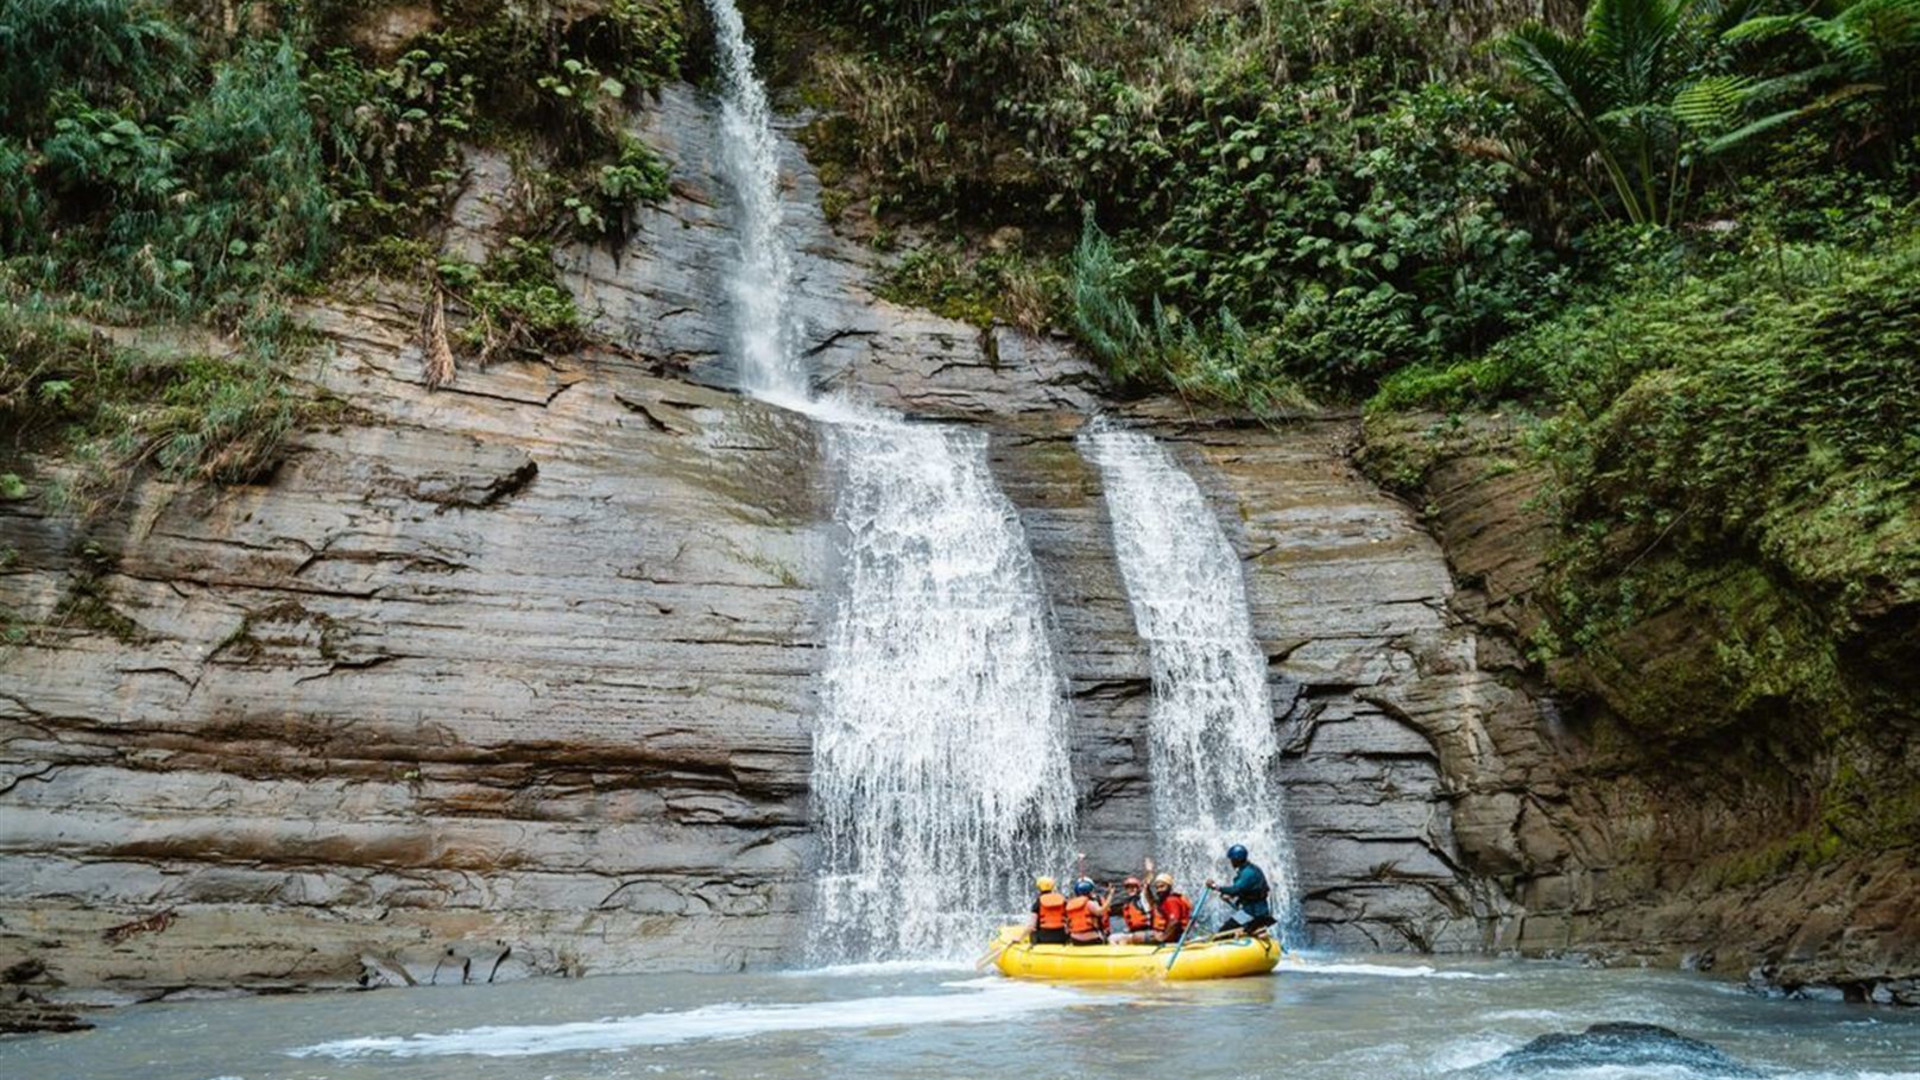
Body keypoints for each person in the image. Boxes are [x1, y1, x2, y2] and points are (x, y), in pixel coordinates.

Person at [1205, 843, 1275, 938]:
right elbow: (1247, 889)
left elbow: (1235, 889)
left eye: (1232, 860)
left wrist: (1216, 887)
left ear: (1236, 860)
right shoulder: (1250, 869)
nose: (1231, 862)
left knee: (1223, 934)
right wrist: (1231, 896)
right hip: (1251, 911)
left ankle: (1255, 930)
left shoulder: (1248, 873)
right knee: (1226, 930)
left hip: (1254, 913)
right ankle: (1249, 931)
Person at [1107, 876, 1156, 944]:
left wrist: (1149, 873)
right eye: (1128, 887)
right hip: (1133, 932)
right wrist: (1110, 894)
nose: (1131, 889)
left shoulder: (1143, 900)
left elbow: (1146, 889)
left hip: (1146, 931)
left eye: (1133, 887)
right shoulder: (1127, 903)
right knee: (1111, 938)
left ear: (1138, 888)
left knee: (1123, 940)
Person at [1148, 872, 1194, 943]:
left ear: (1169, 887)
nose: (1159, 890)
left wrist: (1163, 938)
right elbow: (1152, 902)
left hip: (1175, 937)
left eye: (1162, 886)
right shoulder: (1165, 900)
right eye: (1157, 888)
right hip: (1174, 935)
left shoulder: (1171, 901)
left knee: (1133, 937)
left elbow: (1174, 922)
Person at [1064, 877, 1108, 946]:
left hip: (1075, 939)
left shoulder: (1069, 904)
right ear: (1090, 890)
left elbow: (1067, 926)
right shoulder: (1091, 903)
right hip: (1092, 939)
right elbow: (1101, 912)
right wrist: (1110, 896)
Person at [1028, 875, 1069, 945]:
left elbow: (1031, 926)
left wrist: (1019, 938)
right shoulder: (1062, 900)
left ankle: (1034, 946)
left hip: (1043, 938)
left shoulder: (1038, 903)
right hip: (1061, 937)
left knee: (1033, 932)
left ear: (1039, 888)